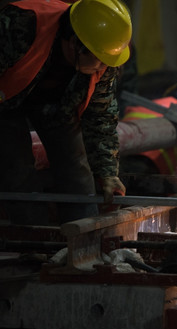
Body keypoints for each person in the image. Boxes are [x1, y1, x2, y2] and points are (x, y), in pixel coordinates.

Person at [0, 0, 132, 225]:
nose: (104, 67)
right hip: (5, 101)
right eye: (99, 60)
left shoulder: (104, 59)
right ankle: (32, 242)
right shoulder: (17, 27)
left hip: (57, 105)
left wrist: (108, 172)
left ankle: (82, 239)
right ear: (74, 44)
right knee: (16, 170)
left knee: (77, 172)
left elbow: (100, 117)